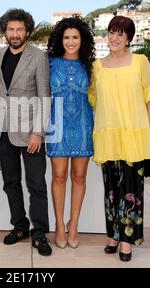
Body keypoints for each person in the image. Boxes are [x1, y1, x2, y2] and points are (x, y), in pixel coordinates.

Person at [88, 16, 150, 262]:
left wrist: (149, 130)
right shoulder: (97, 66)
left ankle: (127, 239)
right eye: (111, 33)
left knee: (132, 190)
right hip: (108, 135)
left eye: (120, 33)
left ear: (129, 38)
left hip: (134, 136)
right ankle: (114, 234)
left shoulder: (140, 62)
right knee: (112, 191)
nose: (114, 38)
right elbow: (93, 99)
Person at [0, 8, 52, 256]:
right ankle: (20, 226)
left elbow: (44, 96)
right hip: (4, 130)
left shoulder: (38, 56)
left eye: (19, 29)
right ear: (5, 31)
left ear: (27, 31)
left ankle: (39, 234)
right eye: (10, 29)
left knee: (36, 185)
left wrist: (38, 132)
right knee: (11, 183)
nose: (15, 34)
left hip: (31, 133)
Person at [45, 17, 95, 249]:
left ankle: (73, 224)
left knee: (79, 177)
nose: (70, 41)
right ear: (60, 40)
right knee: (58, 176)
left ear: (82, 39)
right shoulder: (51, 64)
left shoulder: (91, 66)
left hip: (84, 124)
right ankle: (58, 223)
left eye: (75, 37)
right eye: (66, 37)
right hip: (57, 124)